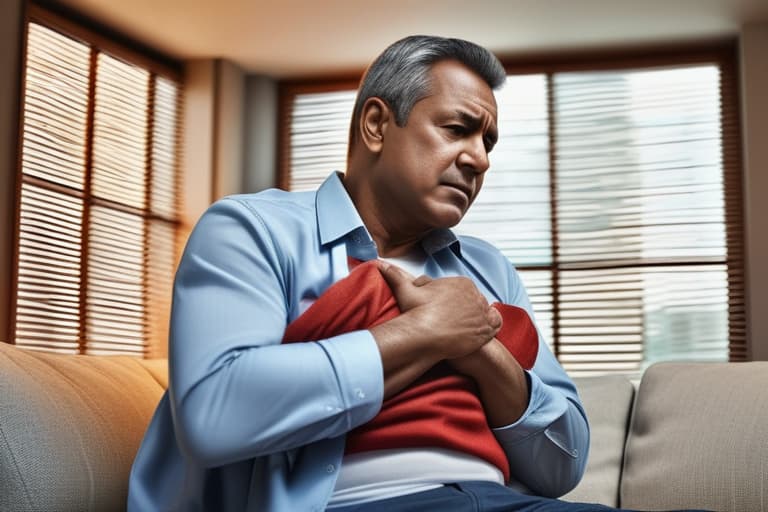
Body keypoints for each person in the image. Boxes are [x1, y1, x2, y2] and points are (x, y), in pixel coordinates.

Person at [129, 35, 630, 511]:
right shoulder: (251, 229)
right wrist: (425, 332)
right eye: (457, 129)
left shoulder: (489, 269)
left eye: (488, 142)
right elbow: (213, 415)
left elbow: (564, 463)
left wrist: (481, 351)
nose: (479, 159)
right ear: (376, 125)